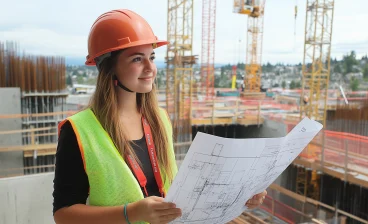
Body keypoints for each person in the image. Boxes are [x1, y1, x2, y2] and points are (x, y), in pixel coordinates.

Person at [52, 9, 267, 224]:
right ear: (109, 67)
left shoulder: (159, 119)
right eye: (137, 59)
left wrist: (237, 196)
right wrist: (130, 213)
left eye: (152, 57)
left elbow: (174, 190)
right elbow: (63, 215)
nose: (150, 68)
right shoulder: (79, 131)